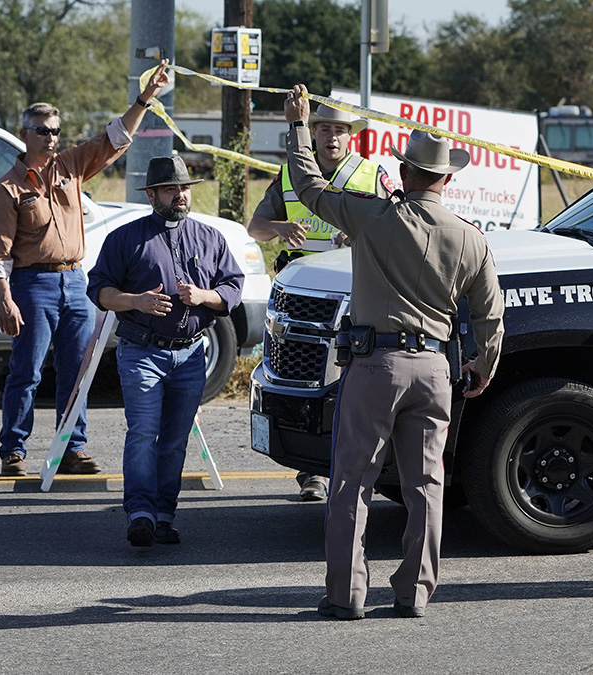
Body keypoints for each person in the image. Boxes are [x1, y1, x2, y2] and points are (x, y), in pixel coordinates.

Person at [283, 84, 505, 620]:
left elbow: (310, 188)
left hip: (375, 366)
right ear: (447, 179)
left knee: (352, 482)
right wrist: (482, 367)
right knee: (427, 485)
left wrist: (297, 126)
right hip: (434, 369)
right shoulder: (472, 239)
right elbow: (491, 315)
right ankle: (414, 593)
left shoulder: (372, 217)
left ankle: (346, 595)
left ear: (404, 173)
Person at [0, 60, 170, 477]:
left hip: (75, 279)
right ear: (25, 134)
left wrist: (146, 97)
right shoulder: (6, 189)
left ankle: (71, 447)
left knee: (78, 371)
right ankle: (13, 449)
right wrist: (5, 300)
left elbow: (114, 137)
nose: (51, 138)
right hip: (32, 283)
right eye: (42, 131)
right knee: (27, 370)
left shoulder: (70, 166)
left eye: (55, 131)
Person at [87, 155, 244, 546]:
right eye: (172, 189)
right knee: (143, 433)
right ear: (152, 194)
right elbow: (99, 290)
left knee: (175, 439)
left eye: (185, 188)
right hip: (142, 352)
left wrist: (205, 295)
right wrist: (135, 301)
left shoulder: (210, 238)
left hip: (191, 355)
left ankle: (163, 514)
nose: (181, 195)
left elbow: (233, 290)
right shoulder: (125, 238)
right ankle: (139, 512)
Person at [248, 103, 393, 503]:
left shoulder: (372, 175)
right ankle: (312, 472)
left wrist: (362, 236)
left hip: (356, 292)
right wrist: (278, 227)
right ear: (312, 133)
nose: (332, 137)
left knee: (358, 386)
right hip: (303, 301)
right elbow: (255, 228)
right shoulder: (289, 174)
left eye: (340, 130)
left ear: (352, 136)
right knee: (309, 387)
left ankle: (362, 470)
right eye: (325, 128)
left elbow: (396, 226)